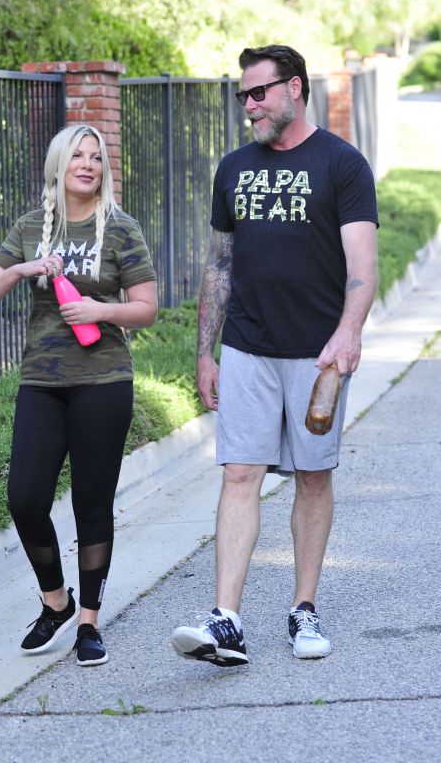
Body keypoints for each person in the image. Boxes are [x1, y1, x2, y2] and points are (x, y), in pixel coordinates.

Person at [171, 45, 378, 665]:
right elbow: (220, 262)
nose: (249, 106)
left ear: (295, 89)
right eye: (243, 96)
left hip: (316, 357)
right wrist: (205, 352)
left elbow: (362, 266)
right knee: (240, 472)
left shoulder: (342, 165)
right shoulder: (234, 168)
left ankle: (302, 609)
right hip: (248, 349)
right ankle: (226, 620)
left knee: (313, 477)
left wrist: (349, 333)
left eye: (258, 93)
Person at [0, 124, 157, 666]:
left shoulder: (121, 229)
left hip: (103, 381)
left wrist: (101, 311)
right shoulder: (32, 227)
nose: (88, 164)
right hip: (42, 383)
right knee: (25, 497)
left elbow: (145, 306)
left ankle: (89, 622)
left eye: (96, 156)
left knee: (91, 504)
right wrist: (26, 268)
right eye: (77, 155)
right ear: (59, 163)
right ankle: (56, 601)